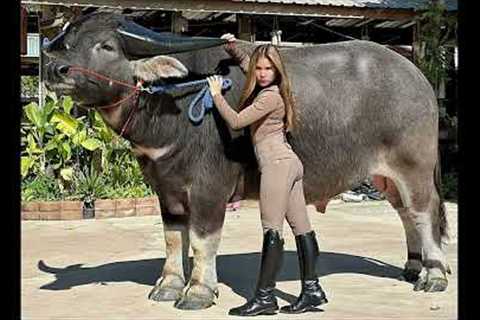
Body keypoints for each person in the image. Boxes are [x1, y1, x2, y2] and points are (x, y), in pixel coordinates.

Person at [207, 34, 328, 316]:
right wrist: (233, 47)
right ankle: (312, 290)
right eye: (259, 68)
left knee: (271, 229)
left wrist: (215, 95)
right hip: (289, 163)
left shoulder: (269, 97)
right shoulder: (274, 89)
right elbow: (249, 64)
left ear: (277, 71)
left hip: (276, 165)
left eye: (267, 69)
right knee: (303, 229)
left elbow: (237, 121)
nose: (261, 73)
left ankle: (265, 297)